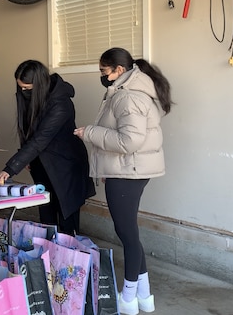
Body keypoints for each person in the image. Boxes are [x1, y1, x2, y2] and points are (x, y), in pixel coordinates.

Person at [74, 48, 172, 315]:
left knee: (127, 234)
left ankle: (128, 298)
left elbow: (129, 142)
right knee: (129, 232)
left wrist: (89, 133)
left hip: (128, 172)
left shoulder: (127, 96)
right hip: (128, 171)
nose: (102, 76)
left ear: (118, 70)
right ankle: (144, 295)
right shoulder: (129, 91)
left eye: (104, 71)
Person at [0, 60, 95, 235]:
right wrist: (27, 156)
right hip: (42, 162)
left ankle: (68, 257)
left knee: (66, 217)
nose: (23, 92)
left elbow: (40, 138)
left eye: (27, 88)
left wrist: (10, 169)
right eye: (21, 88)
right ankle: (49, 255)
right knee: (46, 215)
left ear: (39, 85)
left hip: (65, 165)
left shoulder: (61, 104)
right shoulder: (32, 96)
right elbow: (28, 130)